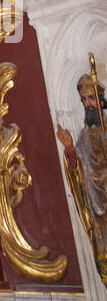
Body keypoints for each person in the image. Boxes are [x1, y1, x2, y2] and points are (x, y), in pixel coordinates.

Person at [57, 71, 107, 280]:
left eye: (91, 98)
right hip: (99, 211)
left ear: (101, 99)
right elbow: (77, 169)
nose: (88, 104)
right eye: (84, 100)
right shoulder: (85, 136)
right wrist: (69, 148)